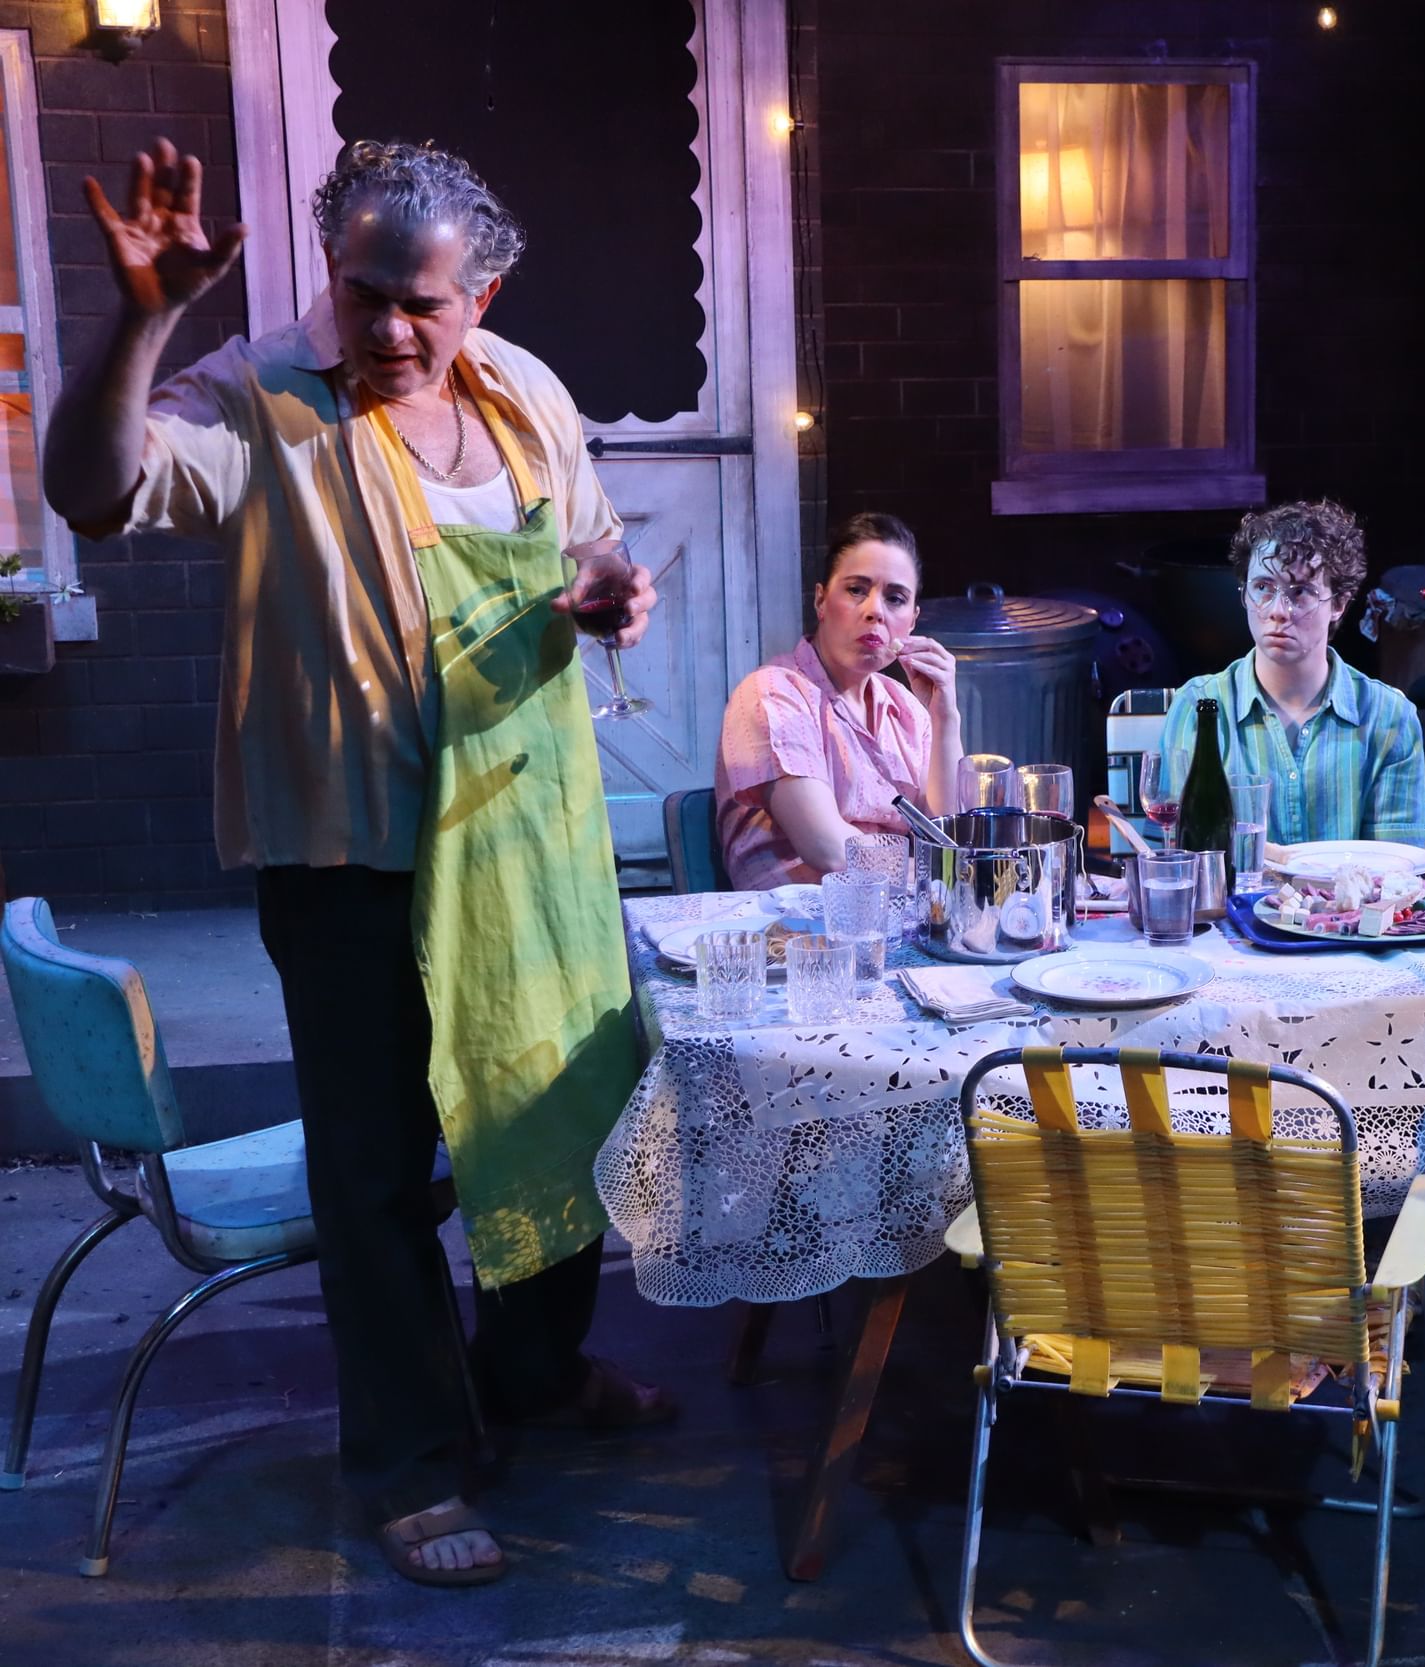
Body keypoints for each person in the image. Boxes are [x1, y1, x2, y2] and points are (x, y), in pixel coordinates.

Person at [43, 138, 672, 1587]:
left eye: (420, 302)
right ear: (332, 271)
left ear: (481, 294)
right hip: (353, 858)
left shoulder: (527, 392)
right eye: (363, 290)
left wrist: (605, 596)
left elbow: (589, 550)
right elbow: (93, 488)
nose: (386, 326)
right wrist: (142, 320)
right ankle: (409, 1459)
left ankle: (535, 1374)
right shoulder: (264, 397)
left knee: (562, 1121)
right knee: (377, 1174)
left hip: (530, 837)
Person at [1158, 499, 1425, 847]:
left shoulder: (1387, 716)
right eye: (1263, 588)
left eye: (1300, 592)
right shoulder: (1199, 707)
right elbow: (1175, 857)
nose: (1278, 611)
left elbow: (1399, 864)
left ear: (1339, 604)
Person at [715, 512, 963, 890]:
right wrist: (936, 872)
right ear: (821, 600)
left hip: (899, 907)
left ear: (912, 621)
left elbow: (947, 835)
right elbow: (828, 849)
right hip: (796, 916)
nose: (875, 611)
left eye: (895, 598)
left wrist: (945, 716)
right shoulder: (773, 693)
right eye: (856, 590)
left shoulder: (908, 709)